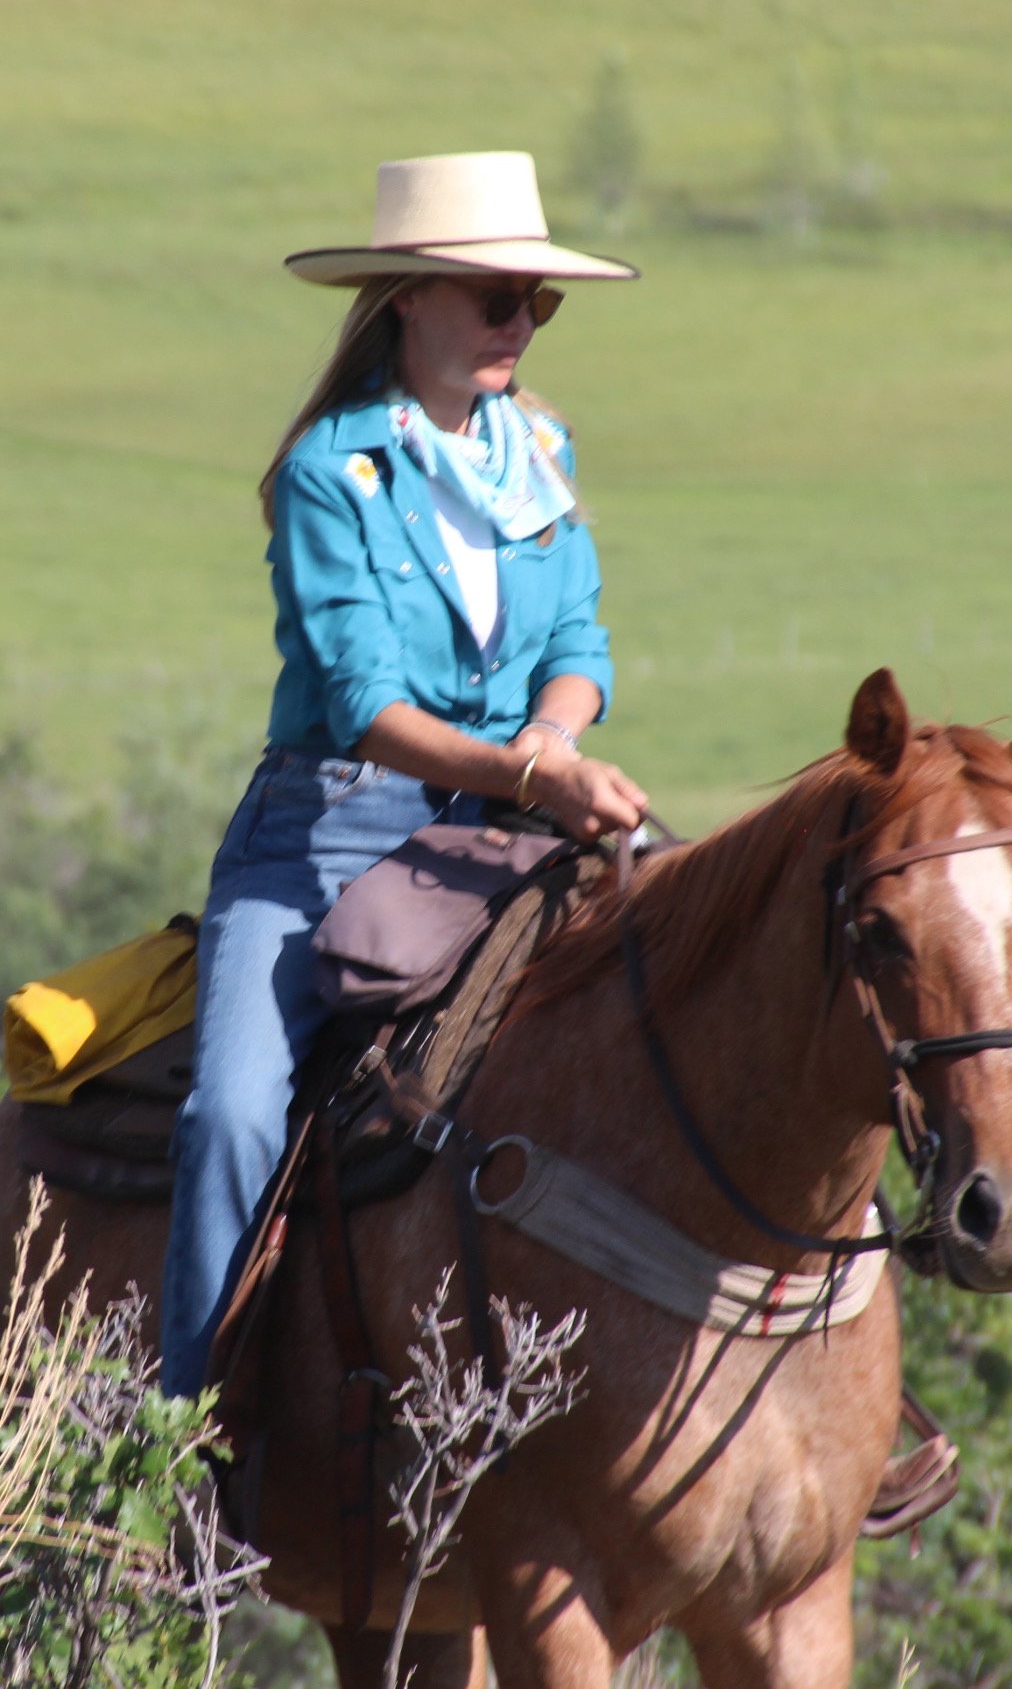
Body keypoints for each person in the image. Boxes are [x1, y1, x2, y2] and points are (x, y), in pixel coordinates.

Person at [160, 151, 648, 1398]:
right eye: (497, 298)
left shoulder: (540, 447)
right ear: (404, 301)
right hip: (322, 838)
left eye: (537, 301)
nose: (519, 323)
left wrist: (552, 734)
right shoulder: (335, 471)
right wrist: (537, 778)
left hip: (503, 825)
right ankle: (177, 1435)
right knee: (231, 1114)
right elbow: (364, 705)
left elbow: (579, 645)